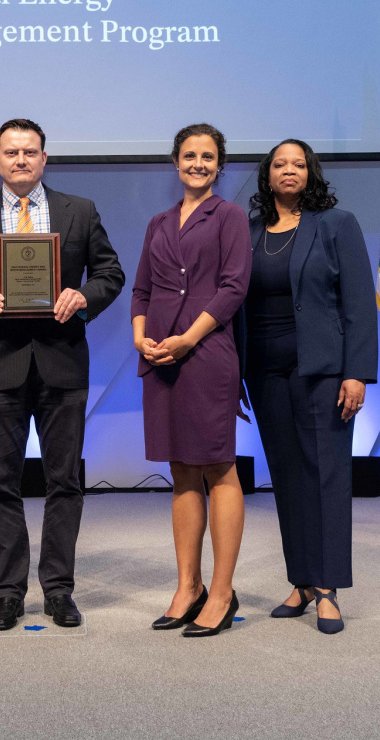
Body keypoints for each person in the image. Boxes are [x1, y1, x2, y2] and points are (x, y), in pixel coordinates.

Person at [0, 118, 125, 630]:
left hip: (62, 363)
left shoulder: (80, 211)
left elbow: (110, 272)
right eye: (11, 152)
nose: (21, 160)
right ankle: (8, 591)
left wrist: (84, 296)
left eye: (30, 152)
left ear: (45, 159)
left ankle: (59, 589)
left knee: (64, 481)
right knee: (1, 482)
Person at [243, 139, 377, 635]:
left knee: (326, 474)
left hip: (322, 370)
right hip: (263, 371)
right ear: (268, 175)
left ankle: (327, 588)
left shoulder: (336, 224)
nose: (289, 171)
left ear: (311, 173)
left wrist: (356, 372)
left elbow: (359, 303)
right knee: (287, 475)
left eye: (298, 164)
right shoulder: (250, 231)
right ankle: (300, 580)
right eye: (280, 164)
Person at [131, 124, 251, 637]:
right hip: (160, 357)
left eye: (208, 156)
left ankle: (222, 592)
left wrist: (186, 338)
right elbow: (140, 290)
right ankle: (188, 586)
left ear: (219, 165)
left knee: (219, 469)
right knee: (181, 471)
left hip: (205, 354)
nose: (198, 163)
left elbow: (232, 289)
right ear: (175, 162)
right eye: (189, 155)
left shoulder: (229, 216)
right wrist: (142, 338)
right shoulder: (158, 222)